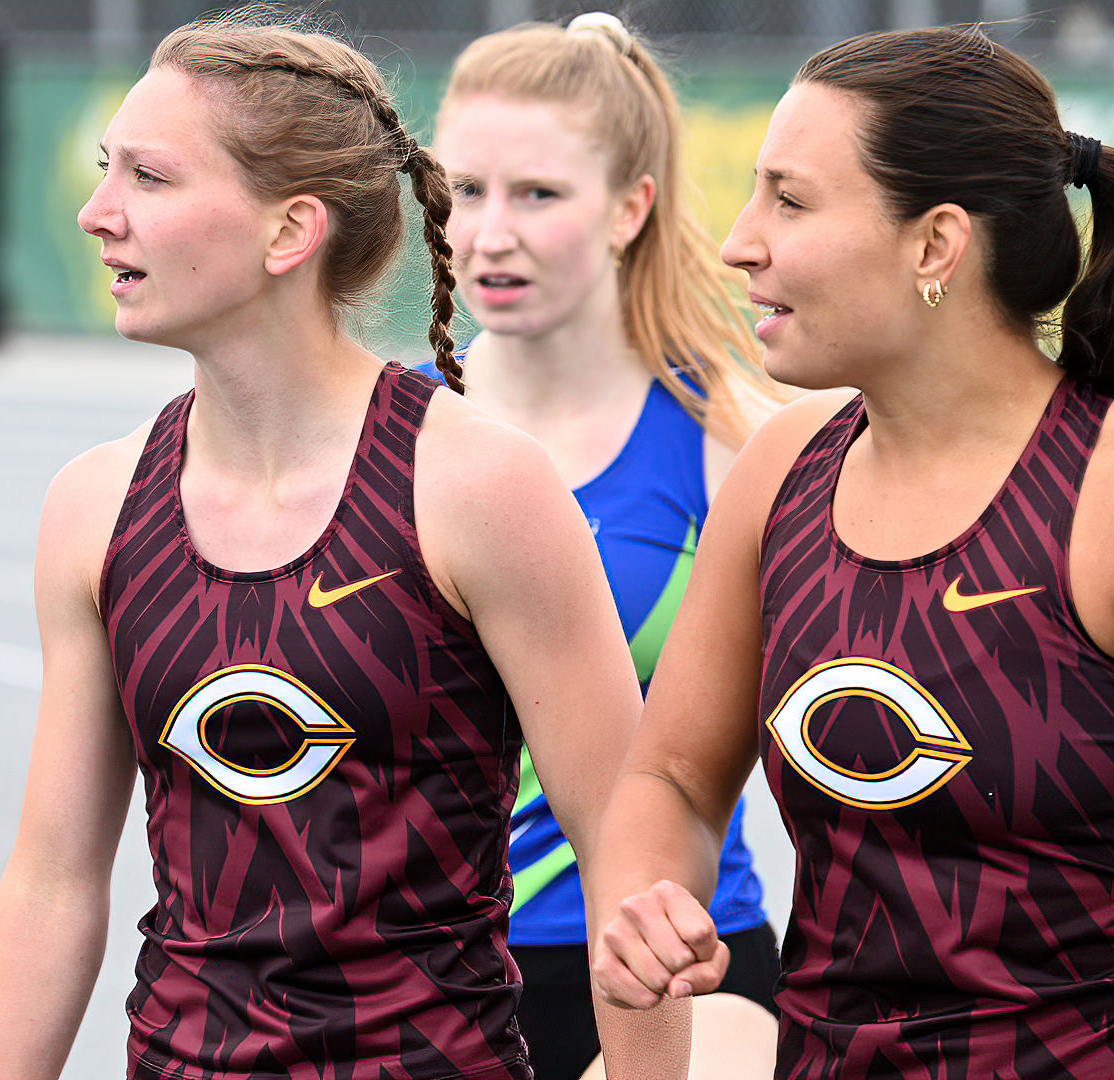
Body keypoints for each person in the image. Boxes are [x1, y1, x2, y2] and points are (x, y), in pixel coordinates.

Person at [589, 27, 1114, 1080]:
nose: (739, 242)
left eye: (790, 200)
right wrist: (649, 909)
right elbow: (674, 781)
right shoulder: (781, 475)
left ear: (935, 245)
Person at [0, 15, 688, 1080]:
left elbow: (629, 862)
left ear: (287, 231)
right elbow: (53, 879)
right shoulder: (95, 506)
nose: (97, 213)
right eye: (104, 171)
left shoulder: (479, 489)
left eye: (150, 178)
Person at [428, 14, 784, 1080]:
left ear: (631, 207)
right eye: (465, 192)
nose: (490, 234)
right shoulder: (386, 440)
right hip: (428, 974)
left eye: (537, 194)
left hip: (683, 967)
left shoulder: (738, 444)